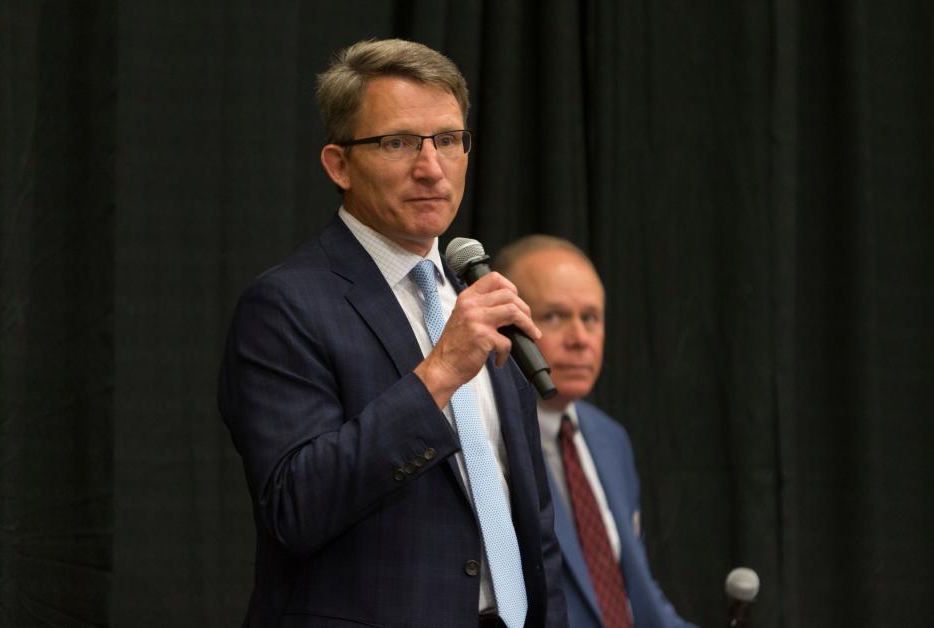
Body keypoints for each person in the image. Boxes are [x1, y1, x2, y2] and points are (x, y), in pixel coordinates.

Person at [218, 39, 567, 628]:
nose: (430, 167)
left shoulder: (475, 296)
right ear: (339, 164)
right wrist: (439, 373)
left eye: (448, 141)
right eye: (397, 142)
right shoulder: (286, 305)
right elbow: (295, 507)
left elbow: (531, 519)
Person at [494, 236, 697, 628]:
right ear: (508, 321)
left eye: (591, 318)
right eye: (554, 316)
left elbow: (634, 592)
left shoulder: (609, 438)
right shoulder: (488, 436)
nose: (579, 339)